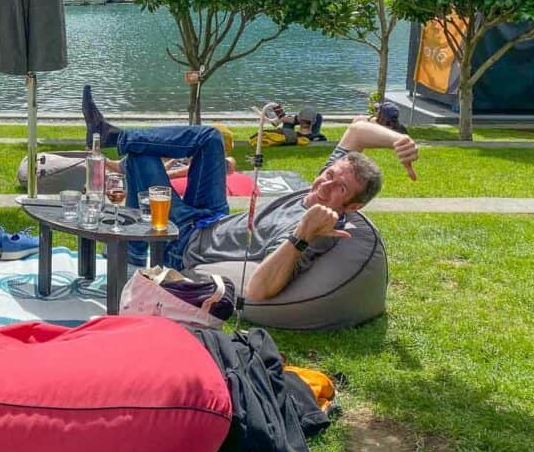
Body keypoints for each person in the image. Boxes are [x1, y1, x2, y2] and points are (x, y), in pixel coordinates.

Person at [82, 88, 418, 302]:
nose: (324, 185)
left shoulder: (321, 231)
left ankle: (136, 257)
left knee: (142, 159)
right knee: (210, 138)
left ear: (353, 205)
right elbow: (357, 131)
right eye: (329, 175)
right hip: (214, 214)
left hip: (184, 241)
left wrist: (302, 235)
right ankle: (114, 136)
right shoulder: (323, 185)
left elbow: (258, 290)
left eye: (339, 188)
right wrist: (397, 141)